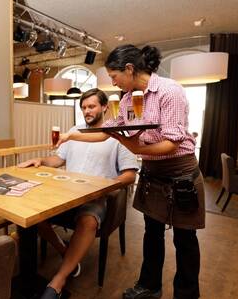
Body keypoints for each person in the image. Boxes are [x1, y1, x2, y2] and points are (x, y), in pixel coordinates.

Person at [56, 45, 205, 299]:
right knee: (152, 233)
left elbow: (172, 142)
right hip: (152, 172)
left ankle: (187, 294)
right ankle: (149, 285)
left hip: (180, 172)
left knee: (185, 239)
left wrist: (135, 147)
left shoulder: (169, 91)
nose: (113, 82)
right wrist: (72, 135)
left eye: (114, 77)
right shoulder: (127, 99)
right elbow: (107, 133)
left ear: (129, 69)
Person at [18, 88, 138, 299]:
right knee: (33, 214)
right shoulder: (75, 130)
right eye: (83, 107)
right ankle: (66, 253)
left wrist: (104, 185)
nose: (87, 111)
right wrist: (41, 161)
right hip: (67, 194)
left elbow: (130, 175)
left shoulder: (118, 135)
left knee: (88, 221)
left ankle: (59, 280)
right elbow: (59, 159)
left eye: (91, 106)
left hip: (97, 197)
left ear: (104, 107)